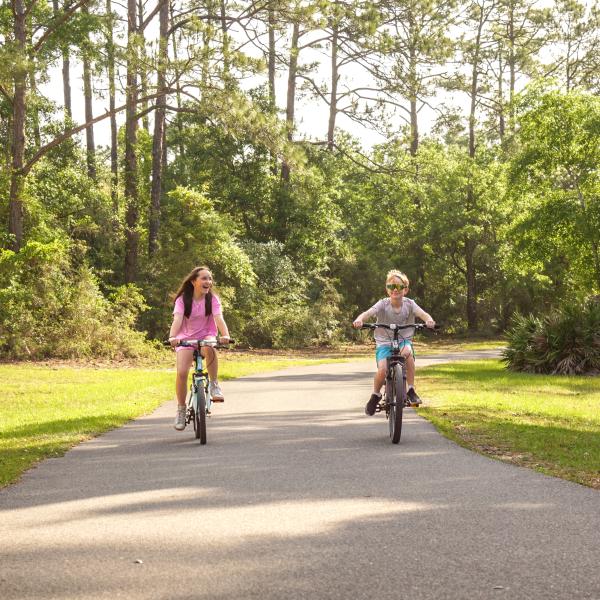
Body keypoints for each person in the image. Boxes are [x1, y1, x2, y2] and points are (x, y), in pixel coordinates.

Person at [352, 269, 435, 415]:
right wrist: (360, 320)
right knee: (383, 369)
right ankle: (375, 395)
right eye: (391, 287)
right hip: (384, 343)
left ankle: (410, 389)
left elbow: (423, 314)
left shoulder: (410, 304)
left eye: (398, 287)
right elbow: (368, 313)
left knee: (407, 353)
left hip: (403, 340)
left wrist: (429, 320)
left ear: (405, 289)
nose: (394, 290)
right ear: (387, 290)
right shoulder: (383, 304)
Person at [168, 266, 231, 431]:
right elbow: (177, 320)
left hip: (206, 336)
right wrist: (172, 337)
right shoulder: (182, 300)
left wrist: (225, 335)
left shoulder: (212, 299)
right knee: (182, 372)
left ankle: (214, 384)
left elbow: (219, 318)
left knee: (210, 347)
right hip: (185, 339)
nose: (208, 282)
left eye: (209, 279)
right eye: (204, 278)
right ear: (193, 281)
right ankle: (181, 409)